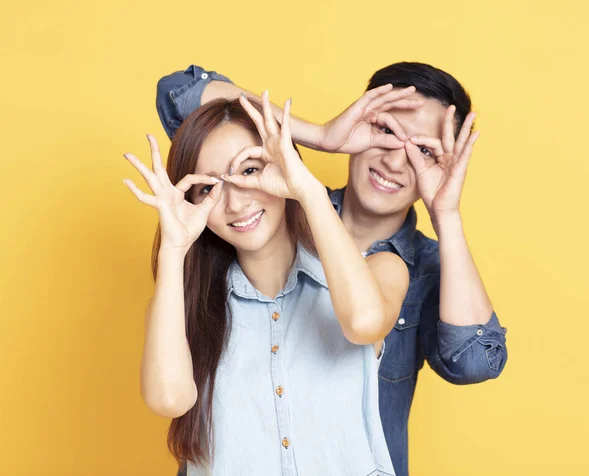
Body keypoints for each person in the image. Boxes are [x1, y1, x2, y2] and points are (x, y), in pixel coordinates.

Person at [155, 61, 508, 476]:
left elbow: (473, 363)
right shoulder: (273, 207)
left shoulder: (424, 268)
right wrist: (318, 136)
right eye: (387, 132)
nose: (397, 161)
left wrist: (446, 214)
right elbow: (181, 95)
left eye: (425, 150)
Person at [123, 94, 409, 475]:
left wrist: (308, 191)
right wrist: (174, 248)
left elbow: (364, 323)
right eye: (208, 189)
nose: (236, 202)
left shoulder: (380, 270)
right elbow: (169, 399)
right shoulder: (180, 310)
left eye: (249, 170)